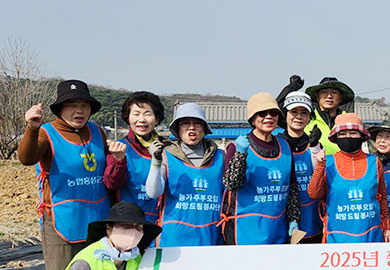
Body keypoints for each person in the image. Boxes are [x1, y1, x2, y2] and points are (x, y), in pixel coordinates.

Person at [19, 80, 121, 270]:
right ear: (60, 109)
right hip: (62, 221)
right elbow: (27, 158)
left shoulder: (97, 131)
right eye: (72, 105)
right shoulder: (47, 133)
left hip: (97, 219)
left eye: (84, 105)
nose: (79, 110)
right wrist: (31, 128)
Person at [222, 93, 299, 245]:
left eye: (273, 113)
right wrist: (240, 156)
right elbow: (231, 184)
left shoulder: (285, 146)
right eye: (262, 114)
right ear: (252, 118)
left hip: (277, 229)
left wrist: (294, 219)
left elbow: (292, 188)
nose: (269, 117)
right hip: (245, 230)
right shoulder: (237, 146)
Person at [145, 103, 224, 247]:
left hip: (211, 236)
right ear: (177, 129)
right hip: (174, 239)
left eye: (197, 123)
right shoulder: (166, 156)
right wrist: (156, 163)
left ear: (204, 128)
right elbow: (153, 192)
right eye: (185, 123)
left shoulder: (220, 157)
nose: (191, 128)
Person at [308, 113, 390, 243]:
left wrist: (386, 228)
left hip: (370, 234)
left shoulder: (374, 162)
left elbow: (382, 197)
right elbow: (314, 193)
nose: (348, 137)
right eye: (342, 134)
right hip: (337, 236)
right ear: (336, 138)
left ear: (362, 136)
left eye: (353, 133)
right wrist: (319, 166)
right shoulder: (328, 162)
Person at [108, 91, 167, 226]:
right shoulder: (119, 147)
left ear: (157, 119)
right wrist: (118, 161)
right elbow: (111, 184)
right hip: (129, 222)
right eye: (136, 114)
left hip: (162, 223)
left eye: (147, 114)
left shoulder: (168, 149)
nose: (141, 119)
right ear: (127, 118)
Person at [278, 90, 324, 243]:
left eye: (304, 113)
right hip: (281, 218)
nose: (299, 117)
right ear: (285, 114)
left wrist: (316, 146)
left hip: (312, 217)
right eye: (294, 112)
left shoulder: (315, 145)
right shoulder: (276, 145)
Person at [304, 77, 355, 155]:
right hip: (312, 165)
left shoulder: (349, 120)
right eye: (324, 92)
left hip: (342, 166)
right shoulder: (306, 118)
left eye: (334, 92)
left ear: (341, 97)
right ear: (317, 96)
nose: (329, 96)